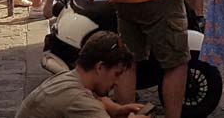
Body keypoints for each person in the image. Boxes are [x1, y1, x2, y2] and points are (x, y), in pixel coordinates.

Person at [15, 31, 146, 118]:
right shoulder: (79, 100)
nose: (116, 82)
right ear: (99, 67)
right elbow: (89, 104)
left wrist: (117, 110)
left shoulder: (69, 78)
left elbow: (99, 100)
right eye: (116, 74)